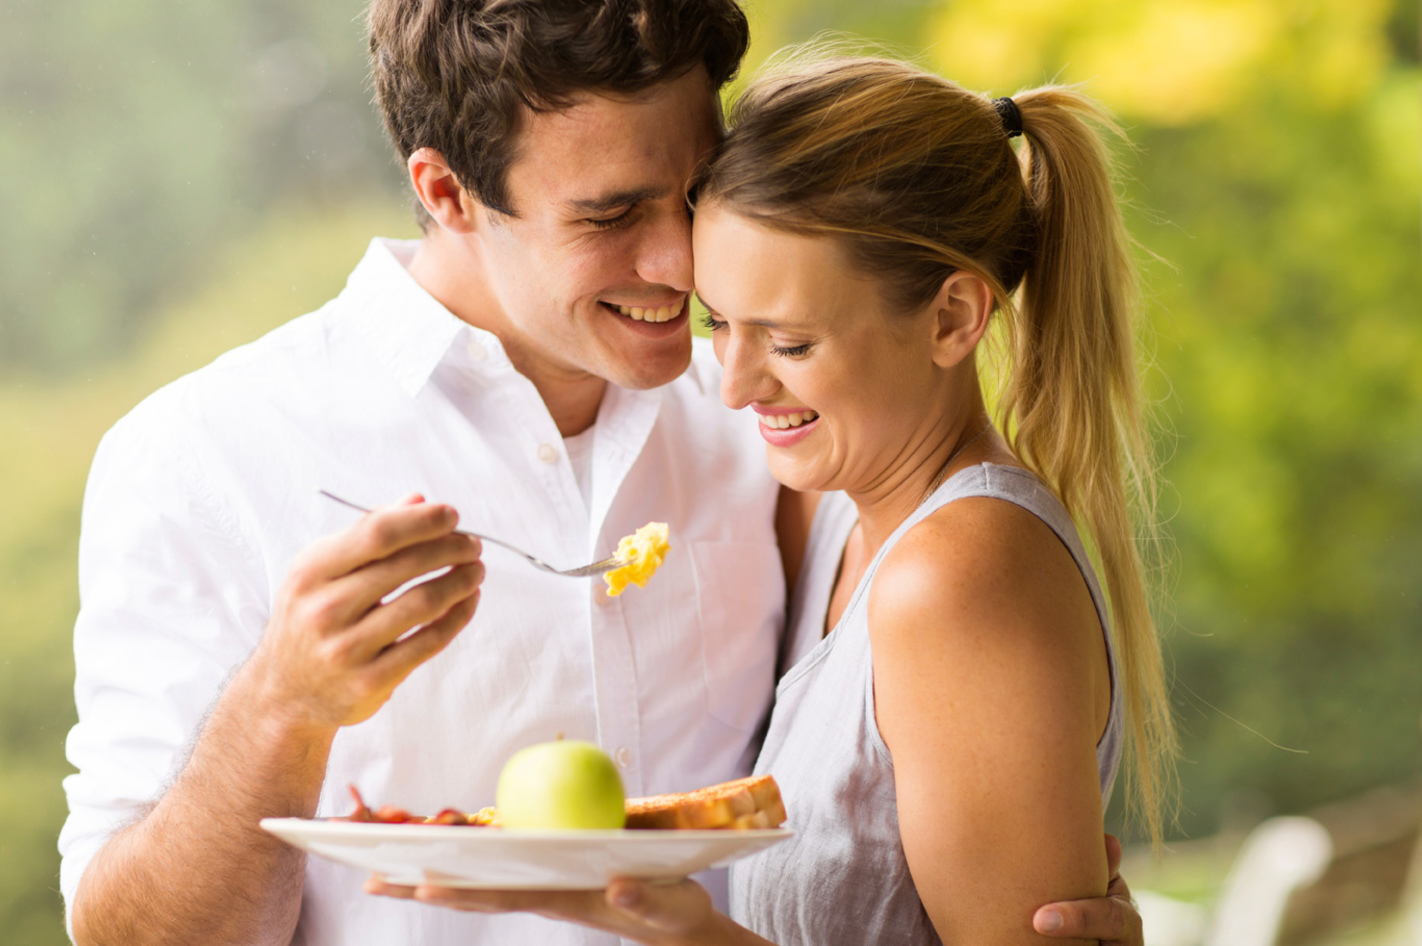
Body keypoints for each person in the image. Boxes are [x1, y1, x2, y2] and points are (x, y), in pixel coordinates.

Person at [58, 2, 1144, 943]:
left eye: (695, 191)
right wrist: (279, 710)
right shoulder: (206, 454)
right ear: (445, 192)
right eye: (614, 213)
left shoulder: (778, 435)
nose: (680, 265)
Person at [369, 52, 1175, 944]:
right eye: (721, 324)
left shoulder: (954, 581)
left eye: (789, 343)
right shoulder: (838, 520)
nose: (735, 386)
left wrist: (694, 934)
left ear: (952, 318)